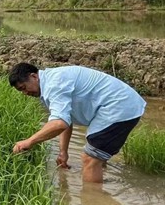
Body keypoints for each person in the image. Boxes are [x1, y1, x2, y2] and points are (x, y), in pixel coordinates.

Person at [9, 62, 145, 183]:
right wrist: (63, 151)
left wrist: (29, 141)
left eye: (24, 87)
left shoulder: (54, 85)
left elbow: (59, 123)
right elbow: (65, 119)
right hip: (118, 106)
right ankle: (101, 180)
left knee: (89, 158)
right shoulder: (49, 82)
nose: (25, 93)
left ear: (34, 76)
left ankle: (93, 203)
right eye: (21, 91)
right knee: (96, 155)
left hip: (118, 107)